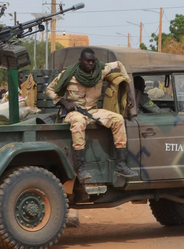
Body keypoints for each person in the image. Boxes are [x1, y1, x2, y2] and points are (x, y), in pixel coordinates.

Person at [46, 48, 137, 181]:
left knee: (117, 119)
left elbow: (119, 64)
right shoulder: (68, 74)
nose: (91, 64)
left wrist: (129, 93)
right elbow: (49, 89)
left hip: (93, 110)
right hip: (74, 111)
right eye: (87, 61)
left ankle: (121, 164)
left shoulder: (100, 70)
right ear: (80, 61)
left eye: (93, 61)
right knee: (79, 121)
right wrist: (63, 102)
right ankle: (81, 167)